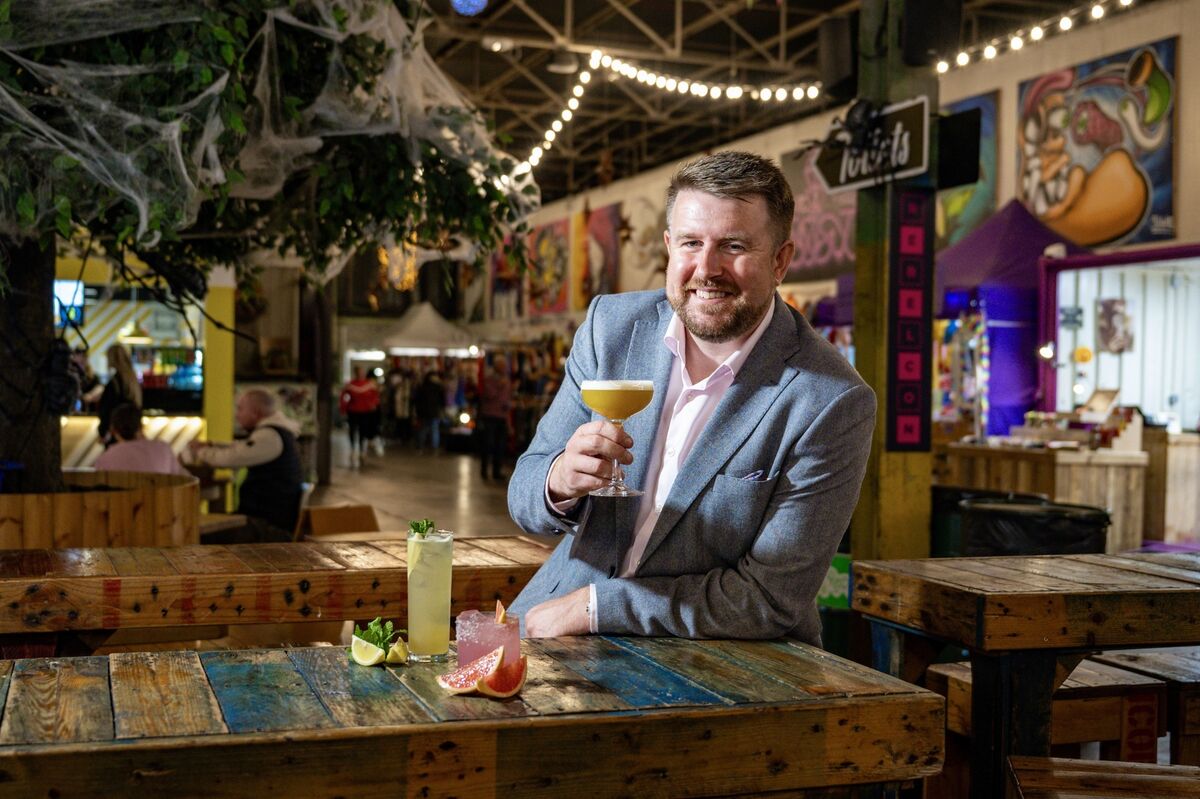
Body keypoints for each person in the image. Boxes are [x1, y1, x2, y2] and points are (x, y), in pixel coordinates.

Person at [506, 151, 875, 644]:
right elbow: (523, 494)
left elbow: (768, 598)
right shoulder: (610, 329)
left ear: (781, 261)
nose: (707, 268)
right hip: (551, 622)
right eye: (691, 243)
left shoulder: (830, 400)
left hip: (716, 657)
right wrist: (559, 481)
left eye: (734, 246)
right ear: (668, 247)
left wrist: (598, 607)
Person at [188, 389, 303, 542]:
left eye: (240, 408)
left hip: (268, 526)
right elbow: (241, 446)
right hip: (265, 519)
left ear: (255, 413)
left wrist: (200, 451)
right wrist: (212, 444)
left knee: (194, 534)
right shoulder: (274, 433)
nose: (237, 415)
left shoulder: (269, 436)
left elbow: (230, 458)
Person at [93, 403, 189, 476]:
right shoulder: (163, 449)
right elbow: (186, 480)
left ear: (113, 431)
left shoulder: (104, 460)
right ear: (141, 427)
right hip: (160, 501)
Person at [477, 354, 513, 480]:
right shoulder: (490, 379)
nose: (504, 367)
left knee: (500, 445)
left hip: (502, 416)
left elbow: (507, 397)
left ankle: (497, 472)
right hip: (490, 416)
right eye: (502, 365)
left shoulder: (507, 380)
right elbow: (489, 395)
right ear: (496, 366)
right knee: (488, 444)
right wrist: (499, 385)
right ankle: (484, 471)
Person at [97, 344, 142, 444]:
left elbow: (106, 410)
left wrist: (102, 432)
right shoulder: (132, 381)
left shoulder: (115, 383)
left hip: (117, 434)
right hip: (131, 433)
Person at [339, 367, 380, 467]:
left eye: (363, 372)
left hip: (365, 412)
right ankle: (353, 449)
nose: (361, 373)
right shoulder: (351, 384)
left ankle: (362, 450)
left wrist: (373, 404)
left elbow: (375, 397)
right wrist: (343, 408)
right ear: (356, 373)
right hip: (353, 411)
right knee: (352, 430)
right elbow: (343, 396)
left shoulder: (369, 384)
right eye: (360, 372)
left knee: (363, 431)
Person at [413, 369, 445, 452]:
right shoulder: (438, 388)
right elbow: (442, 401)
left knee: (423, 430)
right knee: (434, 430)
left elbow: (417, 400)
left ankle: (420, 447)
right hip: (433, 412)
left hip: (424, 413)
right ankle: (434, 447)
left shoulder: (422, 387)